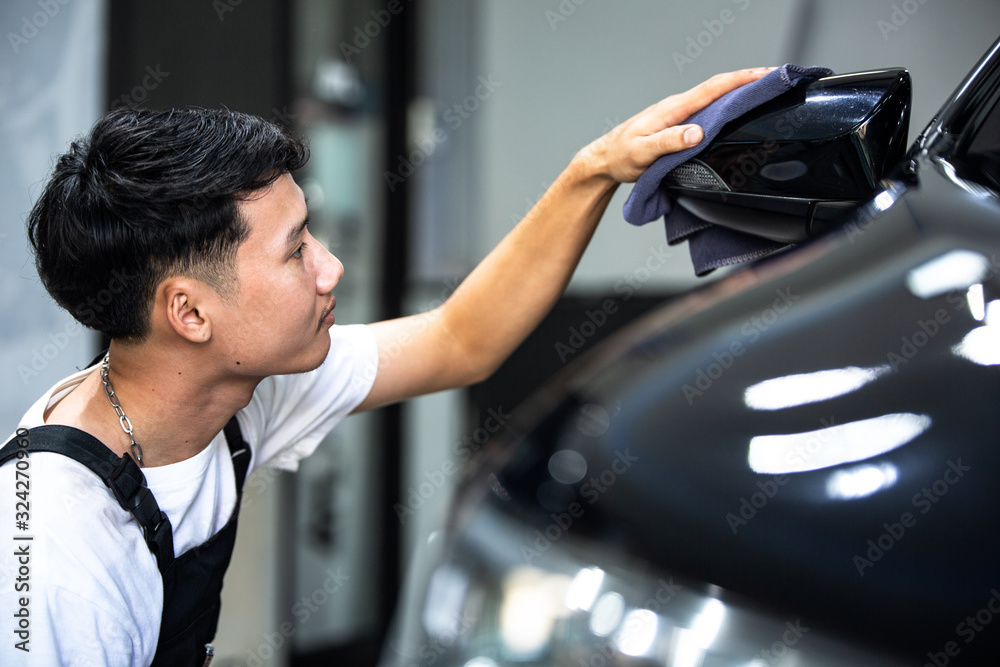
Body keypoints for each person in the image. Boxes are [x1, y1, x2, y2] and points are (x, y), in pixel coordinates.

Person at [0, 67, 771, 666]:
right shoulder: (55, 550)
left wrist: (594, 170)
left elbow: (460, 339)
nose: (330, 268)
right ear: (190, 313)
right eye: (297, 250)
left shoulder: (236, 389)